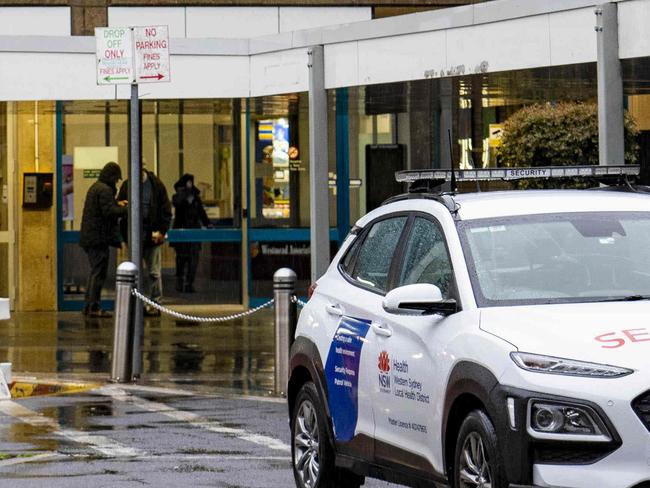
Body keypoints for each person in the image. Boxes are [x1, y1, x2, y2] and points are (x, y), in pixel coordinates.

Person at [118, 168, 172, 316]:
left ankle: (155, 303)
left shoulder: (156, 185)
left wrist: (161, 231)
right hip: (134, 236)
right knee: (135, 273)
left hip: (151, 236)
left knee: (154, 272)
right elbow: (120, 208)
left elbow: (166, 210)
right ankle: (137, 303)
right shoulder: (127, 185)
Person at [79, 162, 127, 318]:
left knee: (95, 272)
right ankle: (93, 306)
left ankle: (89, 305)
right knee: (98, 273)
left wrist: (116, 204)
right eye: (116, 179)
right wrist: (126, 209)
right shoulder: (105, 190)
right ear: (112, 177)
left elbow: (104, 208)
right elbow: (109, 212)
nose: (117, 182)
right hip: (98, 239)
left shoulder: (97, 187)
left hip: (92, 238)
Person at [171, 174, 212, 293]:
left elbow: (201, 213)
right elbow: (177, 203)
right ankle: (180, 280)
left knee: (193, 259)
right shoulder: (178, 197)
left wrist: (207, 223)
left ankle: (189, 282)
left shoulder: (196, 199)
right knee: (181, 258)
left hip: (194, 231)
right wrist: (185, 193)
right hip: (182, 231)